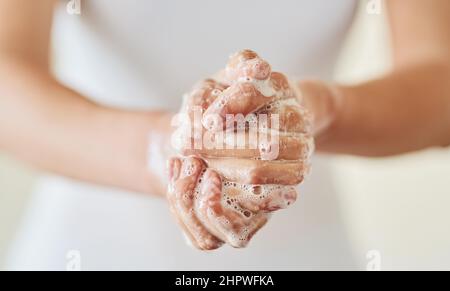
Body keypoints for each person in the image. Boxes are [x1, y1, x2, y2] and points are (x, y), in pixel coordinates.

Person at [0, 0, 449, 270]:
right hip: (87, 250)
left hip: (305, 256)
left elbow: (439, 83)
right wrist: (165, 152)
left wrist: (318, 110)